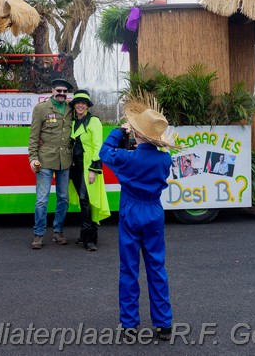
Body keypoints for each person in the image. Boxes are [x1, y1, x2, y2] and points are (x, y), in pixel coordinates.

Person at [99, 99, 176, 340]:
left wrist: (118, 132)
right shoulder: (164, 159)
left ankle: (130, 323)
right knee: (156, 266)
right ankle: (163, 323)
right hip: (153, 210)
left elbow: (104, 153)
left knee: (129, 268)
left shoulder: (127, 158)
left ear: (136, 133)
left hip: (131, 210)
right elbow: (159, 155)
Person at [28, 78, 74, 249]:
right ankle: (38, 234)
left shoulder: (71, 109)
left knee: (63, 198)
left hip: (65, 160)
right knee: (42, 199)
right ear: (52, 90)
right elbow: (33, 137)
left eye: (65, 92)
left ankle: (58, 231)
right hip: (45, 159)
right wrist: (33, 158)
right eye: (59, 91)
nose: (62, 94)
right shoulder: (41, 109)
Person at [67, 90, 111, 251]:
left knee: (87, 200)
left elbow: (98, 146)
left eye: (83, 103)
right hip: (75, 169)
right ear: (74, 105)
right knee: (83, 201)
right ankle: (84, 233)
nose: (80, 105)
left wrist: (94, 169)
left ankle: (90, 238)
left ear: (87, 106)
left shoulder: (94, 121)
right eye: (77, 102)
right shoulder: (72, 123)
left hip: (88, 168)